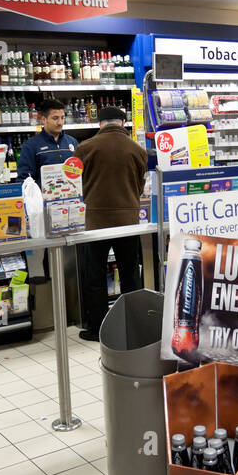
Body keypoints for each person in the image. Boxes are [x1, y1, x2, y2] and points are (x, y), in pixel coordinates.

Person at [72, 104, 149, 341]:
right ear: (123, 124)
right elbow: (139, 185)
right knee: (130, 274)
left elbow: (73, 184)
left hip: (95, 221)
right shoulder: (137, 150)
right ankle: (135, 324)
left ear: (100, 124)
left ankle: (97, 328)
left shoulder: (84, 148)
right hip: (128, 220)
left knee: (95, 276)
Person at [16, 98, 77, 183]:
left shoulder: (72, 142)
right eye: (55, 118)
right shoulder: (31, 146)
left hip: (71, 194)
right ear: (44, 119)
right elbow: (24, 179)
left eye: (62, 118)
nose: (60, 122)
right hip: (42, 195)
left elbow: (79, 172)